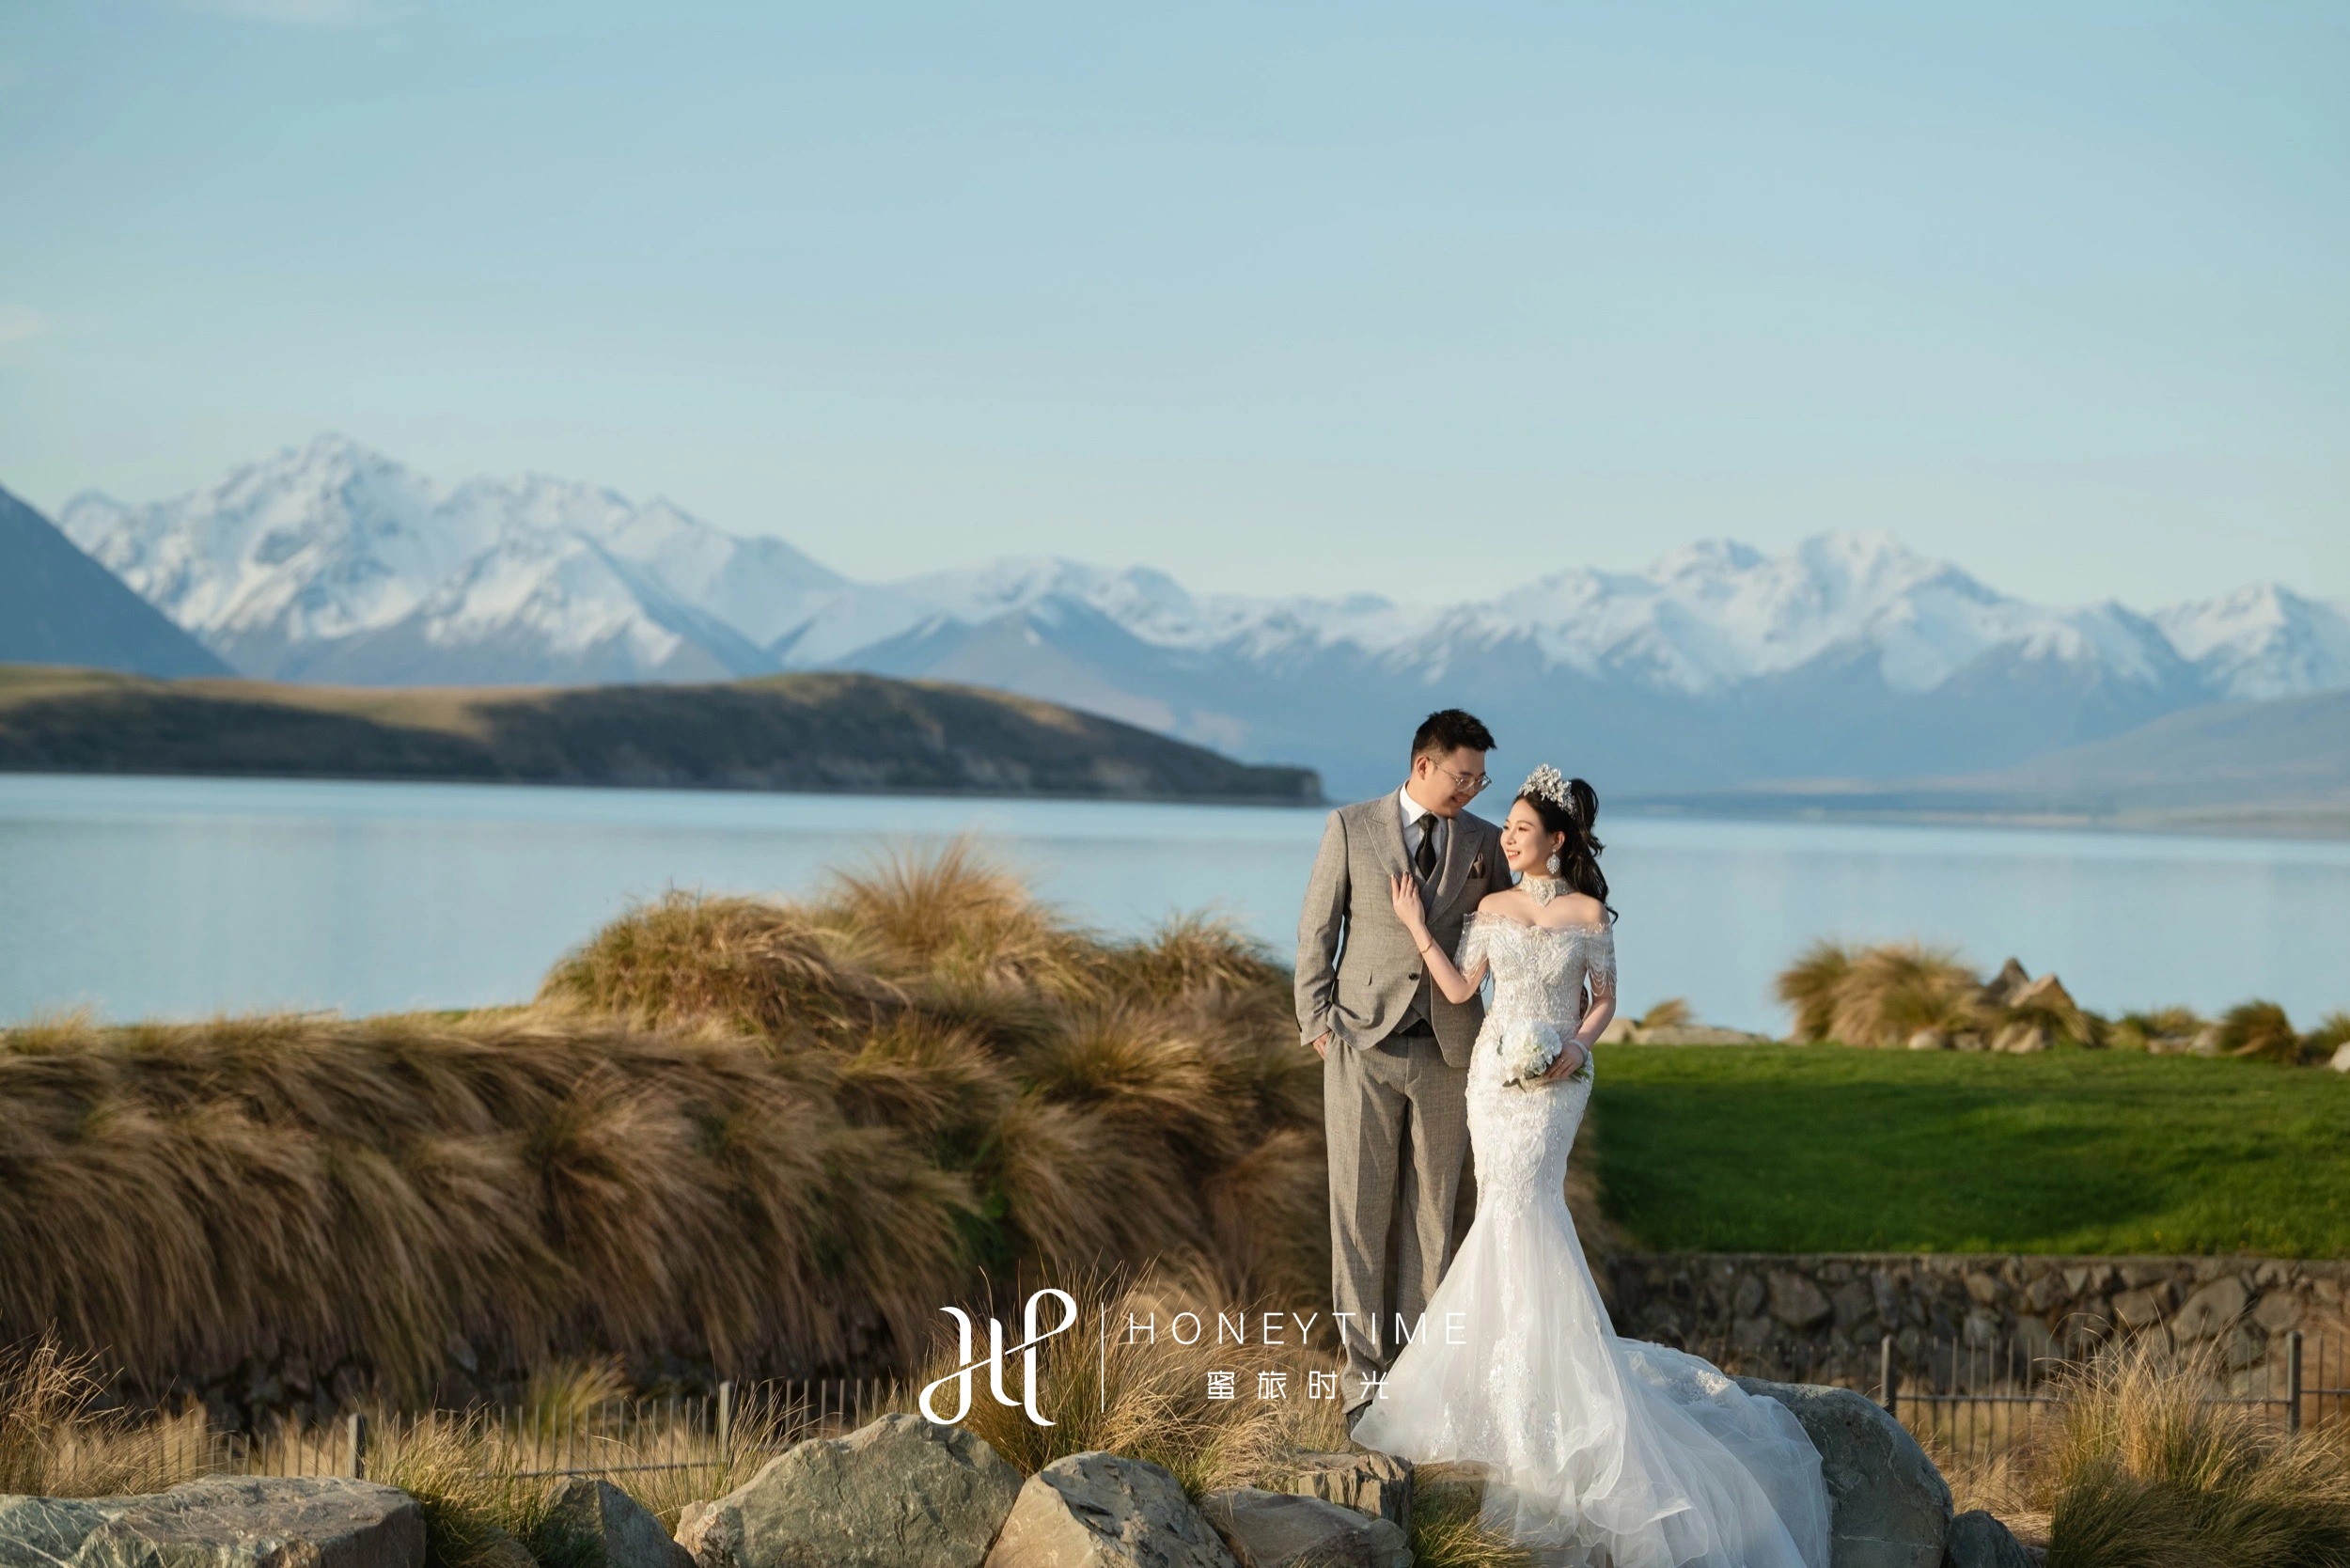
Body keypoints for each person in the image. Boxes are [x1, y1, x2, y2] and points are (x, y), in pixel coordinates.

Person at [1354, 765, 1831, 1568]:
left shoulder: (1589, 913)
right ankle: (1494, 1391)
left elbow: (1604, 998)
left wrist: (1574, 1046)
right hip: (1495, 1078)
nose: (1505, 840)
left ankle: (1552, 1393)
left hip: (1557, 1082)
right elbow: (1463, 988)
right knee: (1499, 1211)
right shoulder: (1490, 908)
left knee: (1529, 1206)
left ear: (1558, 841)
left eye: (1518, 830)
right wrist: (1417, 928)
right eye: (1504, 828)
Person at [1295, 709, 1514, 1428]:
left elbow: (1506, 939)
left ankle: (1419, 1376)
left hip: (1451, 1052)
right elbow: (1318, 930)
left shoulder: (1486, 843)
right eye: (1464, 776)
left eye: (1481, 779)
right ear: (1425, 764)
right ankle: (1363, 1376)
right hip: (1360, 1044)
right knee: (1359, 1214)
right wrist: (1317, 1023)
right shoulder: (1351, 827)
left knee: (1434, 1219)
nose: (1474, 790)